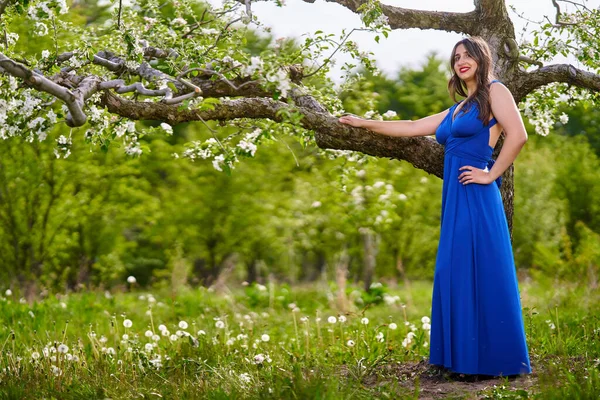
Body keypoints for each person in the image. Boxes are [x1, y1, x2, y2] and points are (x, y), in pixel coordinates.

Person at [338, 36, 531, 377]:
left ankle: (493, 362)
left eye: (468, 54)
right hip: (455, 198)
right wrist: (363, 122)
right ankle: (461, 361)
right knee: (454, 271)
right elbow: (412, 127)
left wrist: (490, 175)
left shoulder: (496, 92)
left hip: (476, 194)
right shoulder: (458, 108)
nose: (461, 61)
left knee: (478, 270)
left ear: (481, 59)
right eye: (456, 57)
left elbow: (518, 135)